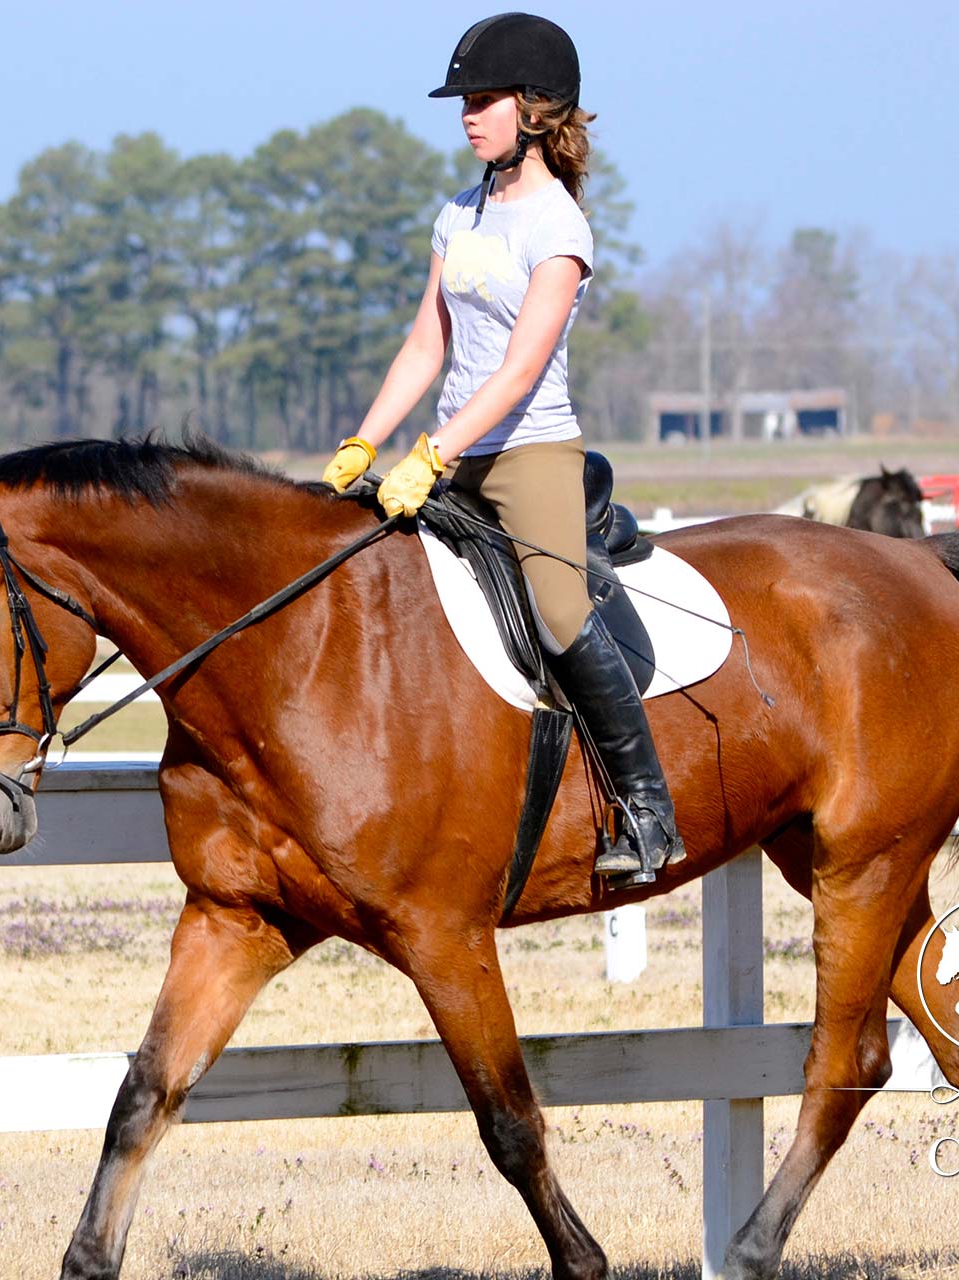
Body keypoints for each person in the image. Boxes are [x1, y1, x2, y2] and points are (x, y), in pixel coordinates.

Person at [320, 12, 684, 886]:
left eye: (483, 101)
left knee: (559, 612)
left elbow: (520, 374)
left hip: (529, 457)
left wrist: (431, 456)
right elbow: (425, 346)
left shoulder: (557, 230)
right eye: (466, 102)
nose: (467, 116)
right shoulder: (460, 214)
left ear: (535, 110)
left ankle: (647, 807)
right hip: (450, 449)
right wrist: (365, 439)